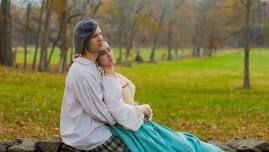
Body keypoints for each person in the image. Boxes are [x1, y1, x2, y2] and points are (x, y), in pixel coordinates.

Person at [96, 41, 224, 152]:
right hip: (133, 129)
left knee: (187, 142)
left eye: (109, 49)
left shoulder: (115, 75)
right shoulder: (107, 81)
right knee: (183, 147)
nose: (108, 54)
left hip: (141, 123)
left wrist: (139, 109)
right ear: (97, 59)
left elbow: (125, 102)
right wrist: (141, 109)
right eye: (102, 53)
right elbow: (118, 112)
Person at [60, 18, 152, 151]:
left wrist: (129, 111)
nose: (100, 39)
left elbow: (111, 100)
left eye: (100, 34)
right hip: (86, 134)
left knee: (143, 141)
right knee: (133, 148)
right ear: (84, 42)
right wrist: (134, 112)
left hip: (99, 128)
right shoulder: (82, 72)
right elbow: (100, 112)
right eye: (94, 36)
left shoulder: (93, 66)